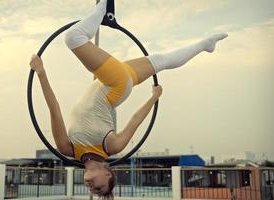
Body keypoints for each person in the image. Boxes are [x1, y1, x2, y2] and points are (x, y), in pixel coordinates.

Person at [29, 0, 228, 199]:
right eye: (99, 188)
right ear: (108, 174)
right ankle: (102, 9)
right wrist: (154, 98)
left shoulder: (68, 148)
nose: (91, 188)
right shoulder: (111, 146)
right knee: (73, 37)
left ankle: (205, 44)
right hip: (115, 85)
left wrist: (41, 72)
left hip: (113, 81)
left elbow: (54, 108)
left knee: (162, 61)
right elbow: (135, 120)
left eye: (92, 191)